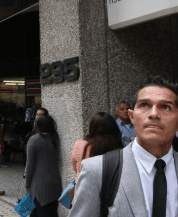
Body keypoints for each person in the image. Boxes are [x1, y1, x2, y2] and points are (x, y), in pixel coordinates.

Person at [70, 75, 178, 217]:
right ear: (132, 116)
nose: (154, 114)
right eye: (144, 105)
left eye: (165, 107)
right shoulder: (96, 171)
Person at [25, 115, 62, 217]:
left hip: (40, 185)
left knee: (41, 212)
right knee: (52, 212)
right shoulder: (55, 138)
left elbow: (29, 165)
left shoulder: (34, 140)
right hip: (56, 183)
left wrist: (27, 184)